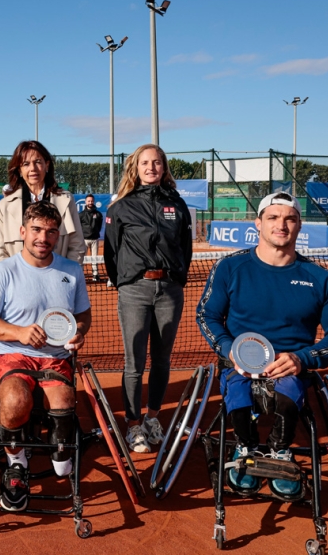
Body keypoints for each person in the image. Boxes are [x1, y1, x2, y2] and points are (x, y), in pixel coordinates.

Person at [197, 191, 328, 498]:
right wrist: (230, 348)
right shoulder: (229, 267)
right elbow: (208, 314)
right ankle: (244, 448)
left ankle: (280, 452)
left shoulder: (323, 279)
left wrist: (303, 358)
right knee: (238, 390)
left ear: (299, 226)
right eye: (273, 218)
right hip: (238, 363)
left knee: (289, 389)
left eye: (290, 219)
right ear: (258, 224)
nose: (281, 225)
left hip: (292, 368)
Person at [0, 201, 92, 512]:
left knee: (65, 403)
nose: (44, 237)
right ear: (23, 231)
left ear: (58, 235)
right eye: (37, 230)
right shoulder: (2, 270)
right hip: (13, 354)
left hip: (55, 358)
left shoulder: (71, 270)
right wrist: (19, 332)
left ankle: (60, 449)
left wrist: (79, 332)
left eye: (51, 231)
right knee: (14, 401)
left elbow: (83, 315)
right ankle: (16, 462)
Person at [103, 144, 192, 454]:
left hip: (170, 290)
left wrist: (176, 278)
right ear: (135, 168)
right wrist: (126, 283)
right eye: (145, 163)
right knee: (134, 363)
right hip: (134, 291)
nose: (151, 167)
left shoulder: (177, 205)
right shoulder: (121, 207)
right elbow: (111, 253)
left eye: (157, 162)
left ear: (164, 168)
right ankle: (132, 424)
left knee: (163, 359)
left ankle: (153, 418)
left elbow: (185, 248)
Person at [0, 140, 85, 264]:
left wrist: (67, 276)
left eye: (37, 162)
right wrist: (12, 279)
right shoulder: (5, 205)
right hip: (18, 281)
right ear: (20, 170)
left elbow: (77, 244)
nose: (33, 169)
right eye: (26, 164)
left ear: (46, 165)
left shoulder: (66, 200)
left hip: (58, 279)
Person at [79, 194, 103, 282]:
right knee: (82, 258)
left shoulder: (98, 214)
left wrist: (95, 232)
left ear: (94, 201)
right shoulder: (81, 215)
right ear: (86, 202)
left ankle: (95, 274)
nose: (90, 202)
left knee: (94, 258)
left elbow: (100, 226)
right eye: (88, 201)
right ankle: (81, 275)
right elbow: (79, 227)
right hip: (84, 240)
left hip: (95, 239)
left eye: (92, 201)